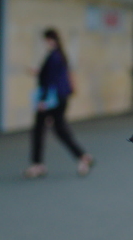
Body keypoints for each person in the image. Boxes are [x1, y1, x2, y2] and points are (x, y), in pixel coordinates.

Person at [25, 29, 94, 178]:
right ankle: (82, 156)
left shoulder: (54, 56)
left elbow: (50, 80)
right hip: (59, 98)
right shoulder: (59, 55)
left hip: (52, 99)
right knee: (59, 129)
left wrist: (43, 101)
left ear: (50, 39)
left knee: (39, 130)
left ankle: (38, 164)